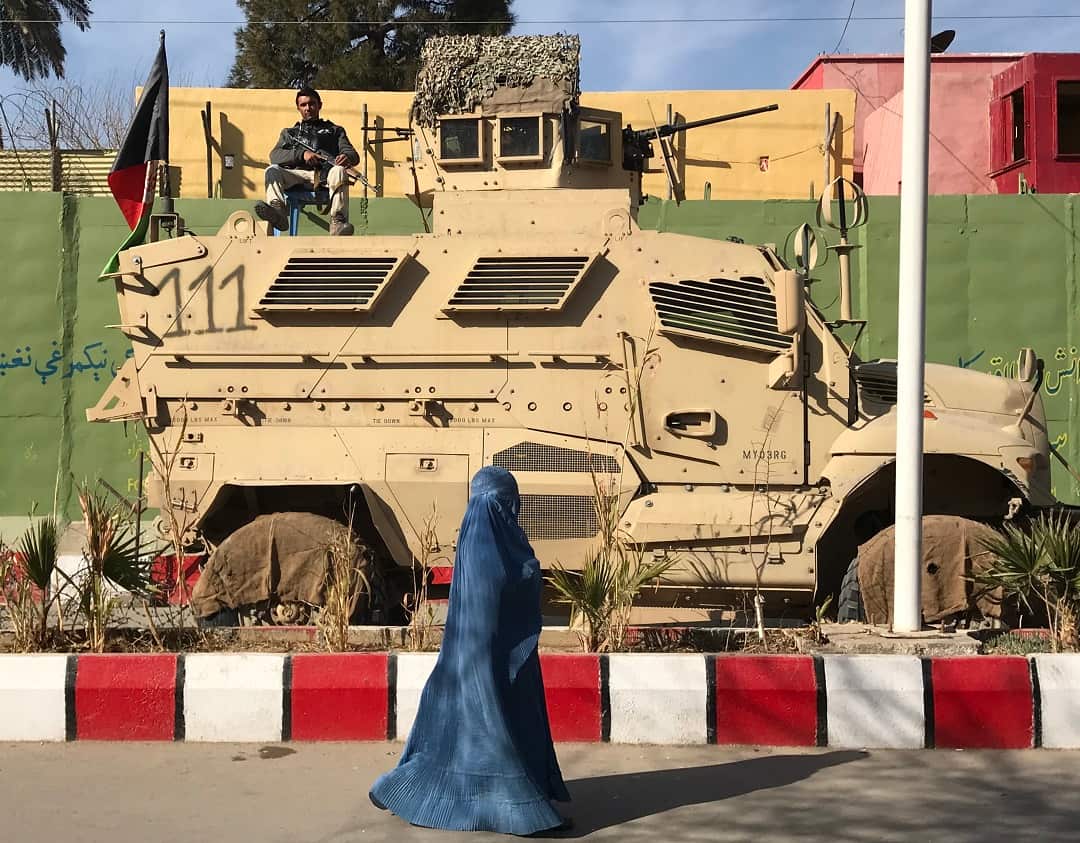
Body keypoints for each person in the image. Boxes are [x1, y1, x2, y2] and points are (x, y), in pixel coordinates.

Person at [369, 466, 571, 835]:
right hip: (490, 655)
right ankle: (521, 812)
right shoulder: (487, 539)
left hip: (501, 651)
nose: (511, 507)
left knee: (488, 726)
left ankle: (414, 790)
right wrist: (485, 665)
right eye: (508, 500)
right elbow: (489, 601)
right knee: (490, 729)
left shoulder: (488, 533)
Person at [254, 87, 359, 236]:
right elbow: (275, 155)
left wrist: (346, 157)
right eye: (303, 105)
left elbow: (353, 154)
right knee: (272, 170)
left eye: (311, 104)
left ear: (319, 105)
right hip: (296, 176)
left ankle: (338, 222)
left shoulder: (335, 131)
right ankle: (278, 213)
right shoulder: (290, 134)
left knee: (340, 171)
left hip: (327, 176)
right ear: (298, 108)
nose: (308, 108)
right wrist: (302, 155)